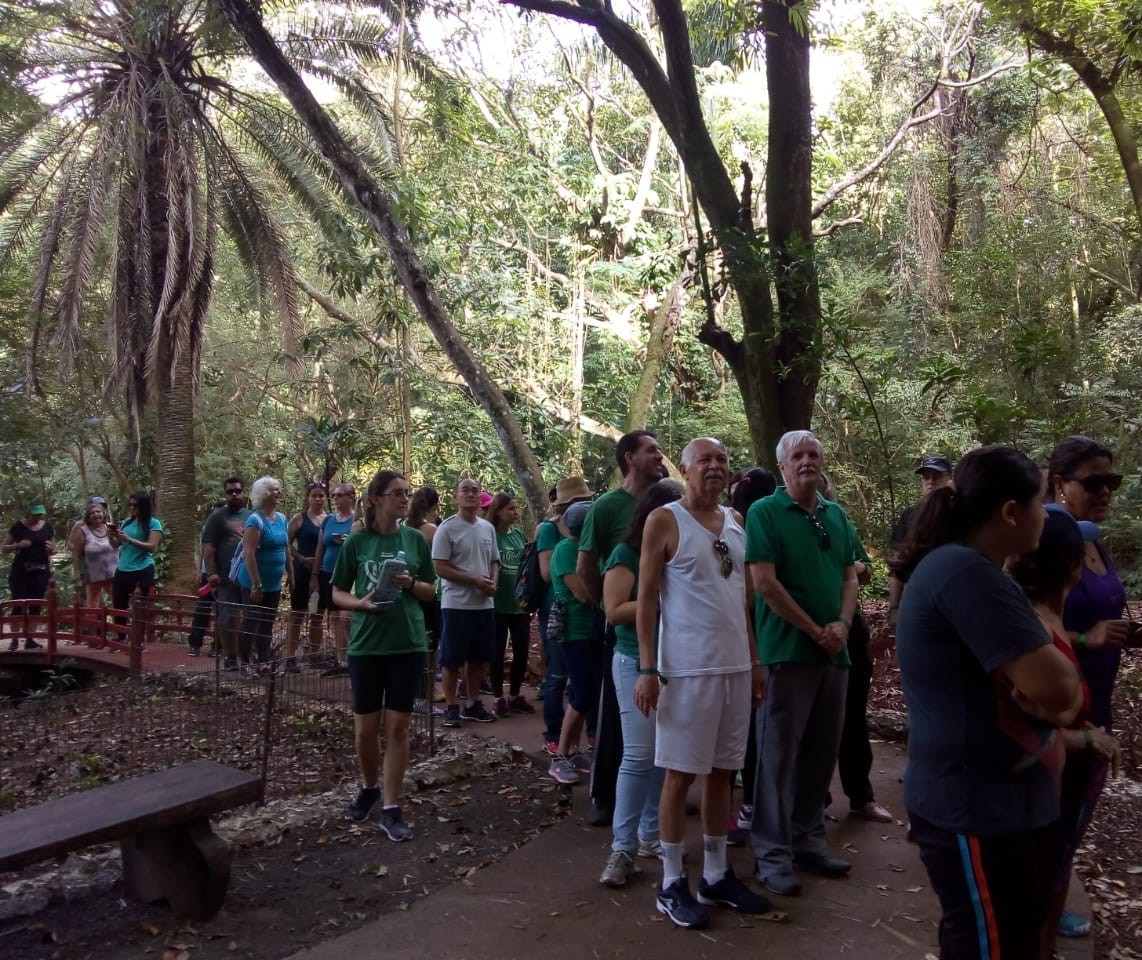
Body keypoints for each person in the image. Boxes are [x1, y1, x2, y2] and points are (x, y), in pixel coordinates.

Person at [892, 445, 1083, 958]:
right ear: (1010, 512)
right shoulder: (965, 574)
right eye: (1041, 503)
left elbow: (1057, 695)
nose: (1047, 514)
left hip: (1001, 805)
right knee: (989, 945)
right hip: (973, 807)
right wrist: (1056, 691)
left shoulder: (978, 572)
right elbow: (1061, 689)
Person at [632, 437, 769, 930]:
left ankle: (715, 874)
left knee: (722, 774)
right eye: (704, 461)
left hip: (733, 668)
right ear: (686, 470)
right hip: (687, 671)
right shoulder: (665, 520)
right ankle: (671, 884)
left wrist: (753, 661)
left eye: (721, 460)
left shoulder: (735, 521)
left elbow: (744, 602)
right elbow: (645, 600)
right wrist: (648, 669)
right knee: (679, 774)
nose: (714, 467)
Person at [745, 432, 859, 897]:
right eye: (799, 455)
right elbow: (764, 584)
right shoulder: (764, 512)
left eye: (814, 453)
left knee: (820, 752)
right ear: (783, 465)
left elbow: (851, 574)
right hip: (786, 653)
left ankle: (808, 840)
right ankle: (772, 854)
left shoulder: (836, 515)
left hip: (835, 652)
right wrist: (815, 630)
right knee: (777, 756)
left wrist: (842, 626)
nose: (808, 461)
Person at [1007, 506, 1121, 959]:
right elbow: (1046, 708)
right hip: (1037, 785)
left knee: (1052, 871)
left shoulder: (1044, 621)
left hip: (1059, 779)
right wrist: (1086, 735)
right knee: (1036, 881)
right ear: (1071, 566)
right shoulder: (1029, 626)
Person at [1046, 435, 1132, 940]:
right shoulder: (1048, 539)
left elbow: (1103, 609)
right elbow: (1029, 621)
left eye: (1111, 481)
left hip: (1098, 695)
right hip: (1060, 700)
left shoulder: (1091, 537)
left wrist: (1123, 634)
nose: (1104, 491)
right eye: (1093, 482)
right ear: (1060, 484)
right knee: (1055, 813)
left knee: (1077, 813)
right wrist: (1087, 636)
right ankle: (1040, 910)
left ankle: (1049, 901)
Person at [332, 470, 436, 842]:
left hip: (407, 644)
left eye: (406, 493)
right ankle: (370, 786)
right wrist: (359, 603)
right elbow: (337, 592)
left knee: (398, 728)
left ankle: (391, 807)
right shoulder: (356, 542)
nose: (404, 499)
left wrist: (412, 584)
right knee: (365, 730)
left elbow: (429, 591)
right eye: (396, 493)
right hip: (366, 645)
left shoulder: (415, 540)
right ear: (376, 498)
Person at [578, 429, 666, 824]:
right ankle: (604, 794)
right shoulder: (607, 507)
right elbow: (585, 562)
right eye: (651, 450)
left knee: (657, 718)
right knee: (614, 711)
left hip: (665, 633)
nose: (659, 455)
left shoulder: (668, 500)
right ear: (629, 457)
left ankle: (658, 800)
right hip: (622, 623)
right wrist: (606, 605)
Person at [598, 478, 682, 887]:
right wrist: (663, 601)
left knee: (664, 757)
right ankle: (622, 847)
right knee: (638, 755)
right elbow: (613, 610)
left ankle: (652, 834)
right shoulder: (625, 553)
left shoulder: (685, 550)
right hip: (634, 659)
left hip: (678, 662)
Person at [817, 471, 893, 825]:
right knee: (813, 719)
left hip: (850, 628)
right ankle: (815, 799)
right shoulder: (776, 519)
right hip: (810, 630)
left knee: (853, 714)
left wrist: (851, 567)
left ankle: (861, 795)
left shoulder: (840, 519)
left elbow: (863, 569)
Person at [727, 467, 777, 836]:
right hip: (760, 636)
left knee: (745, 729)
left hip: (746, 636)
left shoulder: (732, 525)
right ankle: (755, 803)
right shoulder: (765, 524)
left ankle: (745, 805)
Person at [432, 478, 500, 726]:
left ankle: (473, 703)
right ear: (455, 496)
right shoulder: (447, 528)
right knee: (451, 659)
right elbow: (440, 566)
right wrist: (472, 580)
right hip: (456, 604)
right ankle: (452, 706)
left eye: (475, 490)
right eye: (465, 491)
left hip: (484, 604)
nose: (471, 494)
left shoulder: (487, 528)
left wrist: (492, 581)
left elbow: (494, 560)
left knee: (479, 658)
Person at [539, 477, 593, 754]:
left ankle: (580, 742)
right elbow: (549, 574)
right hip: (565, 617)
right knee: (560, 676)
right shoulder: (554, 537)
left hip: (589, 624)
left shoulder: (588, 543)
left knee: (584, 686)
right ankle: (557, 739)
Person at [547, 500, 598, 784]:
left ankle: (574, 751)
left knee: (588, 692)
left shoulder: (590, 550)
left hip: (592, 630)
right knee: (581, 694)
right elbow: (583, 594)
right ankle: (560, 756)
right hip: (574, 631)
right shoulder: (566, 550)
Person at [886, 455, 953, 633]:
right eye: (926, 477)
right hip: (917, 596)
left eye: (937, 476)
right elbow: (897, 564)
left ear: (950, 479)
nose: (930, 481)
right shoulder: (910, 516)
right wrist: (894, 607)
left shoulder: (960, 514)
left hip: (953, 598)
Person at [487, 492, 534, 717]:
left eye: (516, 509)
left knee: (522, 650)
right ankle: (498, 697)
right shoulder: (490, 534)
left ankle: (515, 694)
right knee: (496, 652)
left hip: (519, 604)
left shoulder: (518, 535)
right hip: (496, 604)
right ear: (498, 511)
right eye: (510, 509)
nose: (515, 513)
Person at [235, 476, 289, 671]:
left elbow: (286, 549)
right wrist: (256, 583)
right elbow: (249, 554)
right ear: (265, 494)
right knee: (251, 620)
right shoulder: (254, 521)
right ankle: (244, 663)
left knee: (267, 623)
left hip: (274, 583)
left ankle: (263, 661)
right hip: (253, 583)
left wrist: (291, 574)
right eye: (275, 489)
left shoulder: (282, 518)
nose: (279, 492)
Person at [199, 478, 250, 671]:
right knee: (227, 617)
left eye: (237, 491)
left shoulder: (251, 515)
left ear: (243, 493)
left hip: (248, 576)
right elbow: (208, 546)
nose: (234, 494)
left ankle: (246, 655)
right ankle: (230, 656)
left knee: (251, 617)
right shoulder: (217, 517)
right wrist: (211, 572)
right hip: (225, 577)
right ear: (225, 494)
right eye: (230, 492)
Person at [313, 482, 357, 672]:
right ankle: (341, 659)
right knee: (334, 617)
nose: (336, 499)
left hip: (349, 574)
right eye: (334, 496)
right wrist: (314, 574)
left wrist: (348, 541)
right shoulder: (328, 520)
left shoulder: (358, 520)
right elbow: (320, 548)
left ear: (351, 497)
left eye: (340, 495)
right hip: (327, 572)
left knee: (348, 617)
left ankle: (354, 657)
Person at [285, 482, 328, 672]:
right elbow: (285, 544)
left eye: (321, 495)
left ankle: (314, 655)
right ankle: (290, 657)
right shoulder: (299, 519)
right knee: (297, 614)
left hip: (321, 573)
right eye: (314, 495)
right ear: (308, 498)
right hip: (301, 571)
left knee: (318, 615)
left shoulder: (329, 520)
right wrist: (301, 558)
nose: (318, 499)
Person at [4, 501, 56, 648]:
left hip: (40, 570)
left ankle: (30, 639)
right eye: (35, 515)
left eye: (40, 514)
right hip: (20, 571)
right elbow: (4, 548)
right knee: (18, 604)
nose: (37, 517)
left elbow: (53, 548)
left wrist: (51, 549)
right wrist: (17, 545)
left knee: (35, 605)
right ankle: (14, 639)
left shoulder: (47, 527)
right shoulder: (18, 527)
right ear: (29, 513)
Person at [109, 491, 163, 622]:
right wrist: (111, 535)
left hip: (142, 568)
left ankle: (140, 638)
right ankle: (121, 636)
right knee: (119, 604)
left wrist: (129, 539)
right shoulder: (127, 522)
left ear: (143, 506)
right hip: (122, 568)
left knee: (141, 606)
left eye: (135, 505)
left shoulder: (154, 523)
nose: (132, 508)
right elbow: (116, 545)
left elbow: (152, 546)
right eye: (130, 505)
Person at [68, 499, 117, 608]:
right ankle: (94, 624)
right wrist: (77, 577)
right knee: (92, 606)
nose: (96, 514)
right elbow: (75, 553)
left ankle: (119, 624)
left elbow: (118, 545)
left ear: (103, 513)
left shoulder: (110, 527)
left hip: (113, 574)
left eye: (99, 511)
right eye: (92, 512)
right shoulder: (82, 529)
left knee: (118, 603)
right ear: (88, 515)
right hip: (93, 575)